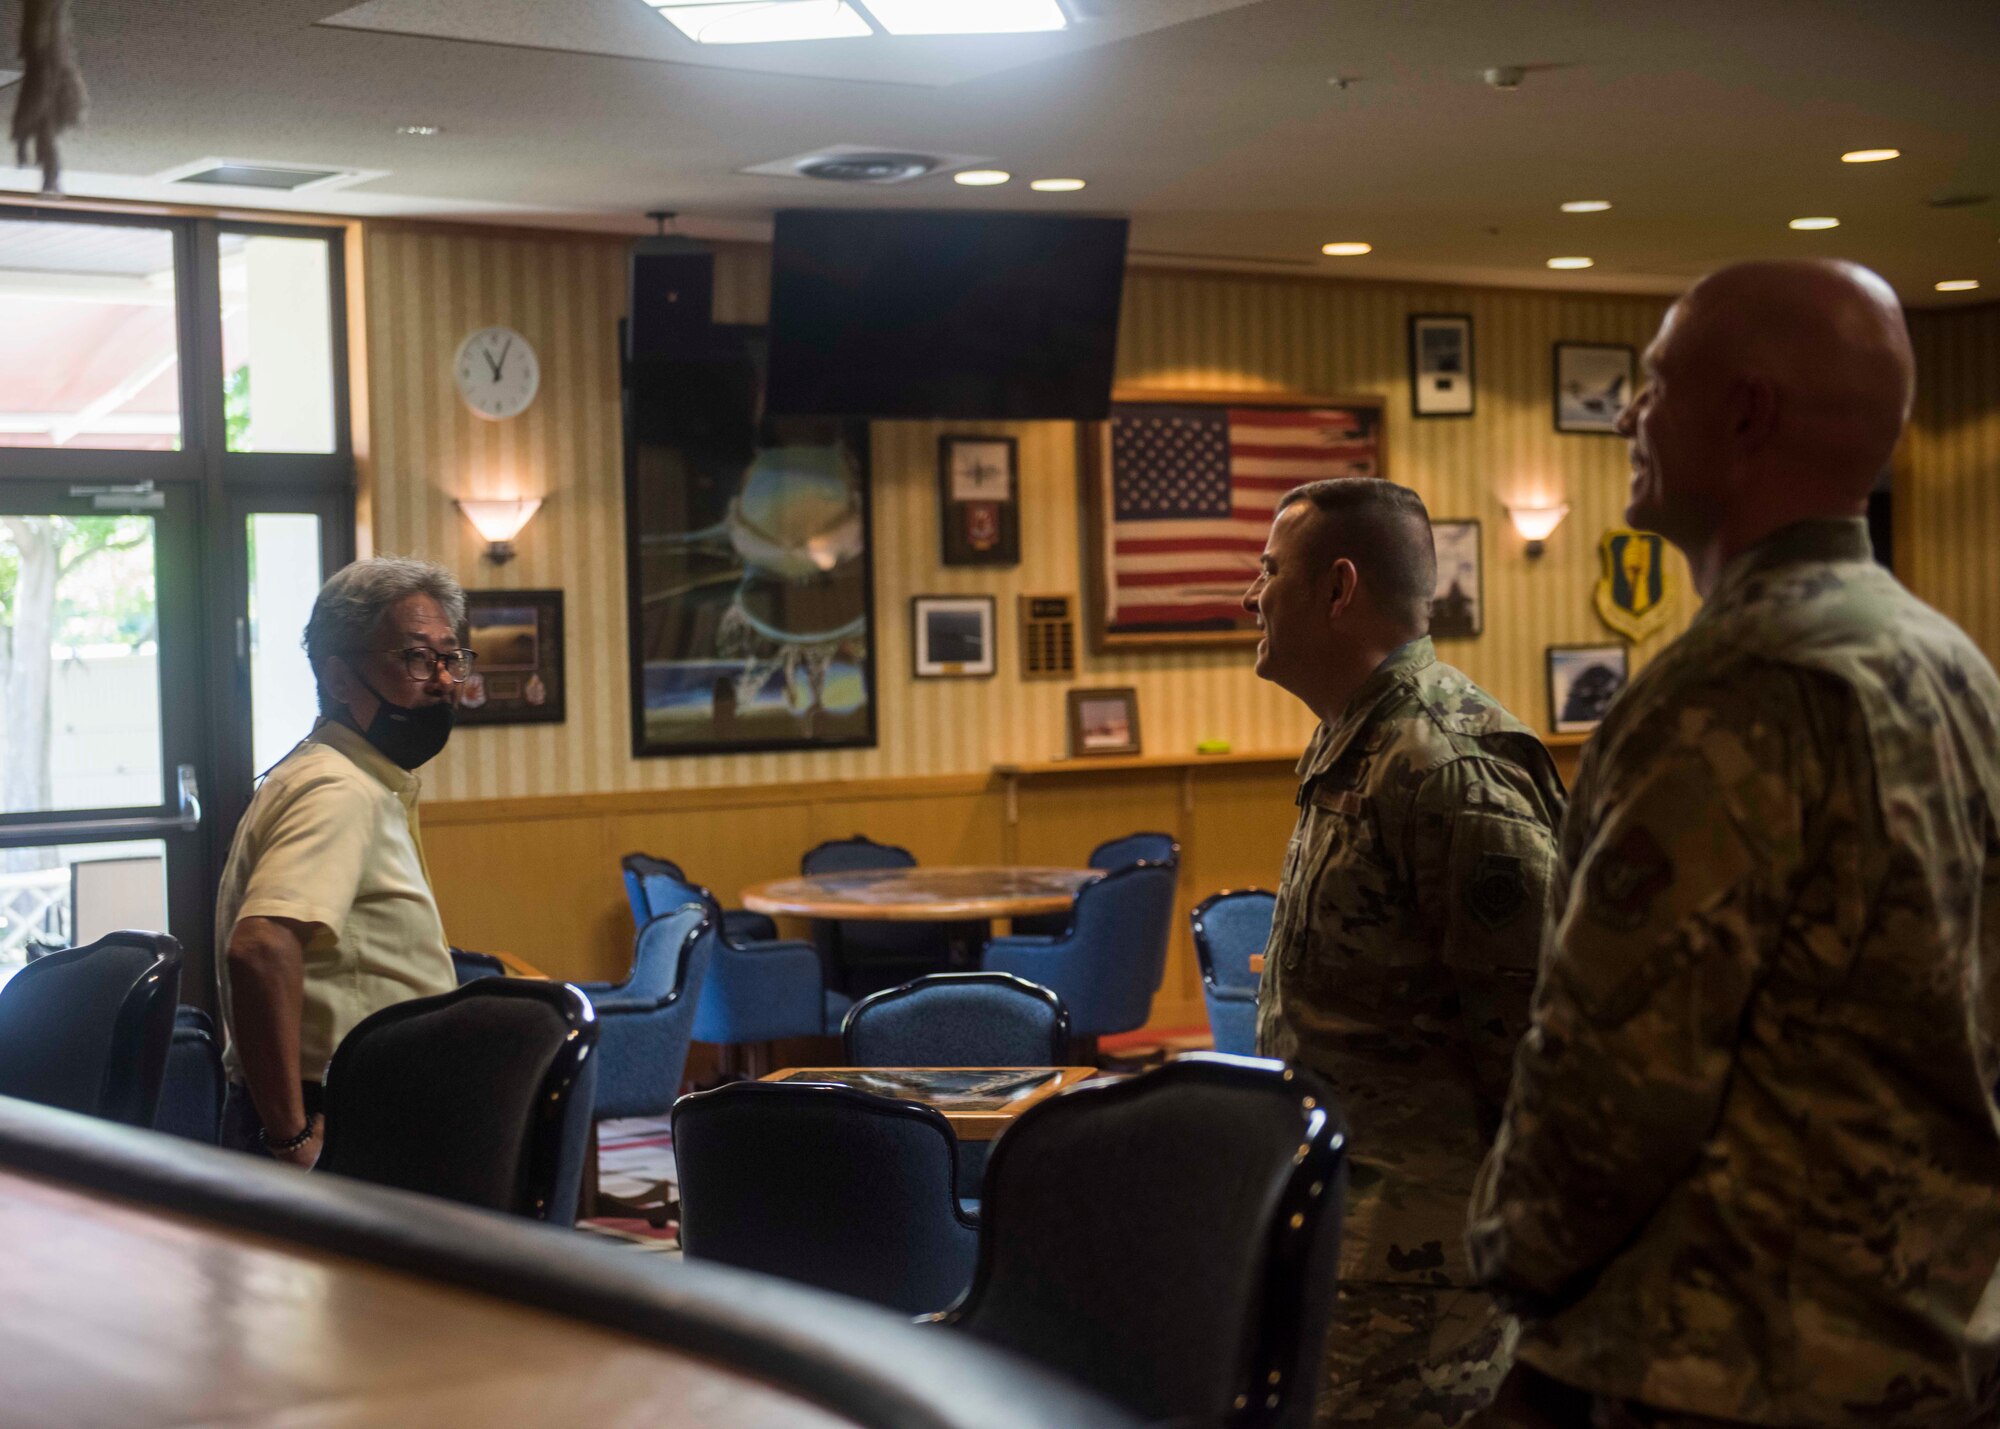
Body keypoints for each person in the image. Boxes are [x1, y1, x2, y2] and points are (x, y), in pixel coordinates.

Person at [1468, 259, 2000, 1428]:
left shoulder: (1725, 691)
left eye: (1654, 383)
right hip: (1929, 1338)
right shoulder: (1951, 665)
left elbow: (1615, 1082)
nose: (1627, 413)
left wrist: (1506, 1268)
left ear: (1745, 413)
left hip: (1728, 1364)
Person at [1243, 478, 1566, 1427]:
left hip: (1427, 1275)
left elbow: (1543, 1047)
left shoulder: (1445, 761)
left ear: (1338, 589)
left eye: (1269, 572)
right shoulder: (1365, 741)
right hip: (1352, 1238)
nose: (1250, 595)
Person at [215, 557, 473, 1167]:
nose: (441, 680)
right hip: (331, 1114)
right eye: (416, 658)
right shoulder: (339, 790)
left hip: (348, 1103)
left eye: (450, 657)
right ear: (338, 676)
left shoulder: (346, 775)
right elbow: (259, 946)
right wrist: (291, 1137)